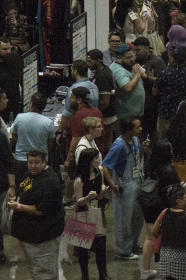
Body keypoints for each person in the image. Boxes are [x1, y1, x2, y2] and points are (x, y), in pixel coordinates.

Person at [8, 149, 65, 280]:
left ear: (44, 162)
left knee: (45, 273)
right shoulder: (31, 174)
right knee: (37, 271)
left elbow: (40, 210)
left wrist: (19, 206)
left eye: (36, 163)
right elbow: (22, 189)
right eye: (30, 162)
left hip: (43, 238)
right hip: (31, 236)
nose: (33, 166)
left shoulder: (49, 182)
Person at [102, 117, 145, 260]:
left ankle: (133, 244)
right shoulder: (119, 145)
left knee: (137, 217)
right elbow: (105, 166)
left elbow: (138, 157)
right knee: (124, 219)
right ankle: (123, 250)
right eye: (137, 127)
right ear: (128, 130)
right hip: (124, 187)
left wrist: (143, 149)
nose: (141, 129)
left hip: (137, 183)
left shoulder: (136, 141)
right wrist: (113, 185)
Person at [140, 139, 181, 279]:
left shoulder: (150, 165)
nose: (172, 151)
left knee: (149, 237)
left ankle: (145, 270)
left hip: (148, 203)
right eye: (170, 149)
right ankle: (168, 271)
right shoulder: (169, 170)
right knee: (167, 239)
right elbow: (176, 190)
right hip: (163, 206)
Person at [154, 184, 186, 280]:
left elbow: (154, 232)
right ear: (179, 201)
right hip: (184, 258)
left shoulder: (164, 212)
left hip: (166, 256)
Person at [72, 147, 109, 280]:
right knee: (83, 250)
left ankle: (103, 274)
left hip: (98, 212)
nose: (99, 160)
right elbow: (78, 201)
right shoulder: (79, 180)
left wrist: (103, 191)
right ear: (88, 161)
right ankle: (85, 276)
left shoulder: (99, 171)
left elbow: (102, 187)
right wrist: (87, 197)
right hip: (83, 214)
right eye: (96, 158)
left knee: (101, 247)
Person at [156, 46, 186, 137]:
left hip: (166, 111)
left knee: (164, 137)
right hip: (183, 111)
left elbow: (155, 91)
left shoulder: (164, 73)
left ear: (173, 58)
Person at [10, 92, 55, 183]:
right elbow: (50, 145)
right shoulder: (48, 123)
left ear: (31, 103)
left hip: (21, 161)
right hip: (40, 163)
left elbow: (13, 138)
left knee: (22, 188)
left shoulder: (19, 117)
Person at [110, 43, 147, 121]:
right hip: (127, 115)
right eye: (128, 57)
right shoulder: (118, 70)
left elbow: (144, 76)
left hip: (136, 111)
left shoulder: (127, 64)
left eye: (132, 56)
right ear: (119, 58)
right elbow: (127, 87)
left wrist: (141, 74)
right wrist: (137, 74)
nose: (132, 59)